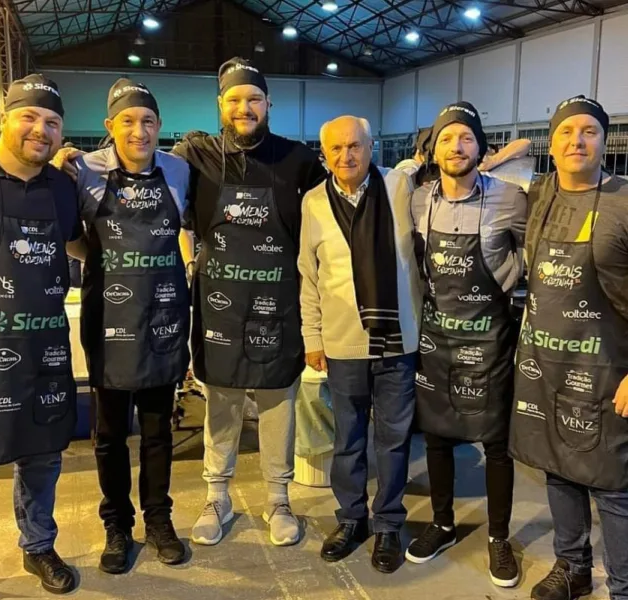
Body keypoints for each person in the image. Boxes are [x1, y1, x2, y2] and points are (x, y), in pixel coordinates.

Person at [170, 58, 325, 547]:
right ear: (220, 105)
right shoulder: (197, 158)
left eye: (253, 99)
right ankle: (217, 496)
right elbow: (144, 173)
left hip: (278, 307)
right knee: (222, 402)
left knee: (279, 401)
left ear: (268, 104)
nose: (245, 107)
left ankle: (279, 500)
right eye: (234, 100)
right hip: (220, 307)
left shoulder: (297, 159)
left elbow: (336, 209)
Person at [65, 79, 192, 574]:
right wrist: (94, 257)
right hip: (109, 320)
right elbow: (72, 237)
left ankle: (159, 520)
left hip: (162, 319)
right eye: (128, 121)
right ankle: (116, 525)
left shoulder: (180, 169)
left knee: (159, 432)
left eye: (148, 121)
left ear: (160, 126)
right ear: (109, 127)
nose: (139, 131)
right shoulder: (84, 171)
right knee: (110, 434)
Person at [509, 95, 628, 600]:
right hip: (546, 364)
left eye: (589, 131)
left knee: (614, 487)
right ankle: (572, 567)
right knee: (558, 470)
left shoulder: (625, 201)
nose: (577, 141)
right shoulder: (538, 195)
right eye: (565, 132)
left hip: (610, 370)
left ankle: (623, 585)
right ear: (551, 144)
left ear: (606, 140)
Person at [406, 102, 527, 588]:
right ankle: (442, 523)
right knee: (436, 436)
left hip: (492, 339)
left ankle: (499, 537)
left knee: (496, 444)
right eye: (446, 138)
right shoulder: (415, 199)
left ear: (481, 147)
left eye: (466, 138)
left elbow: (535, 254)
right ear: (432, 148)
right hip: (436, 338)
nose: (456, 147)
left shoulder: (513, 199)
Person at [298, 115, 424, 573]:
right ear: (324, 154)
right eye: (336, 149)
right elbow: (308, 278)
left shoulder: (400, 187)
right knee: (348, 441)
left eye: (354, 146)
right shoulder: (313, 202)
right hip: (342, 342)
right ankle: (352, 518)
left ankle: (388, 522)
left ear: (372, 147)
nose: (346, 157)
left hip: (398, 342)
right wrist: (312, 336)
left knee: (393, 440)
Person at [0, 74, 79, 594]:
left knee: (42, 454)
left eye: (51, 122)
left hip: (43, 344)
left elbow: (74, 245)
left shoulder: (61, 188)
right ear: (5, 116)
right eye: (29, 116)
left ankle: (38, 545)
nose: (39, 130)